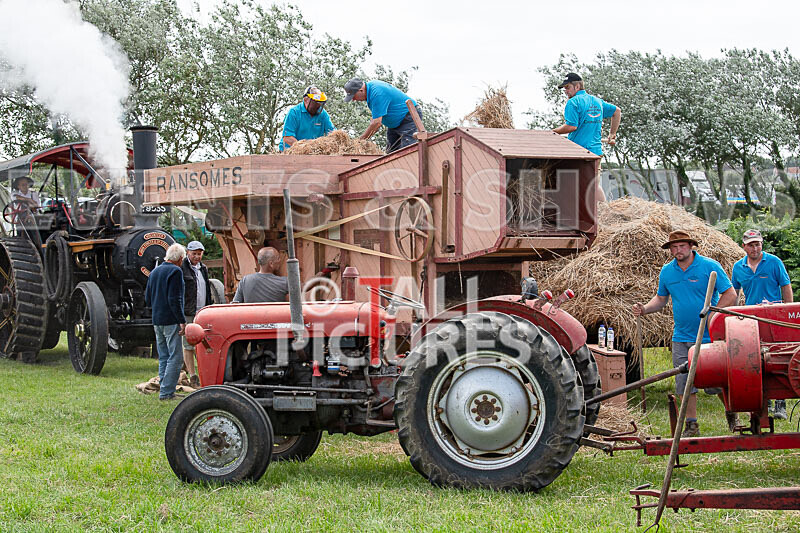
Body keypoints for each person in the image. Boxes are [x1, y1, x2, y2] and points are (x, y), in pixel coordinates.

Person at [632, 230, 738, 437]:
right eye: (674, 247)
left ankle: (731, 412)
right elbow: (661, 299)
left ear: (691, 246)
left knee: (715, 383)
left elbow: (730, 294)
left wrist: (712, 314)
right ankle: (691, 424)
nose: (677, 250)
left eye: (681, 246)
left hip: (708, 335)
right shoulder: (667, 272)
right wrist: (644, 309)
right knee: (683, 382)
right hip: (681, 336)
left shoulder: (710, 267)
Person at [731, 228, 793, 419]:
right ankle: (762, 400)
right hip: (751, 317)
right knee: (756, 357)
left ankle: (780, 403)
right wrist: (732, 314)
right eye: (751, 245)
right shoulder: (738, 267)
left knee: (778, 356)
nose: (755, 248)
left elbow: (786, 287)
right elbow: (734, 292)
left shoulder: (774, 262)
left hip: (774, 315)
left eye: (757, 244)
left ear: (762, 244)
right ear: (744, 247)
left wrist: (787, 313)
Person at [552, 73, 621, 203]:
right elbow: (617, 111)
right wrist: (613, 134)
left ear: (577, 86)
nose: (565, 91)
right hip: (595, 153)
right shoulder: (597, 101)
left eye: (567, 87)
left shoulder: (573, 103)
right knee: (593, 186)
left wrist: (553, 132)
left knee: (571, 184)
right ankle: (604, 212)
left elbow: (571, 126)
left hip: (578, 152)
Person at [145, 243, 187, 400]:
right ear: (180, 259)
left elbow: (147, 298)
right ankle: (167, 392)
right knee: (176, 357)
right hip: (171, 319)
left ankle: (164, 387)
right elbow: (174, 298)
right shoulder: (175, 271)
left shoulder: (154, 272)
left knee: (163, 356)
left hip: (157, 319)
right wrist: (181, 320)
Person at [344, 78, 421, 153]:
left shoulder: (377, 93)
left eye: (353, 96)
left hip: (408, 117)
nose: (353, 99)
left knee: (407, 151)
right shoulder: (371, 90)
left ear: (360, 90)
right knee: (391, 153)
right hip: (395, 124)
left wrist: (360, 141)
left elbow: (376, 123)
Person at [180, 240, 212, 389]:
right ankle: (193, 376)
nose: (197, 257)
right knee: (188, 344)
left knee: (203, 342)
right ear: (187, 253)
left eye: (199, 254)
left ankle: (204, 373)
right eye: (194, 254)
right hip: (188, 311)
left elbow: (207, 289)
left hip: (202, 310)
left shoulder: (203, 269)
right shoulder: (182, 268)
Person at [279, 86, 335, 152]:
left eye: (319, 103)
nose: (318, 106)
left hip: (313, 154)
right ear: (306, 100)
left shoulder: (323, 114)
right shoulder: (294, 113)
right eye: (315, 103)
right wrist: (305, 148)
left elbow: (333, 133)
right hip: (290, 153)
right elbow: (287, 138)